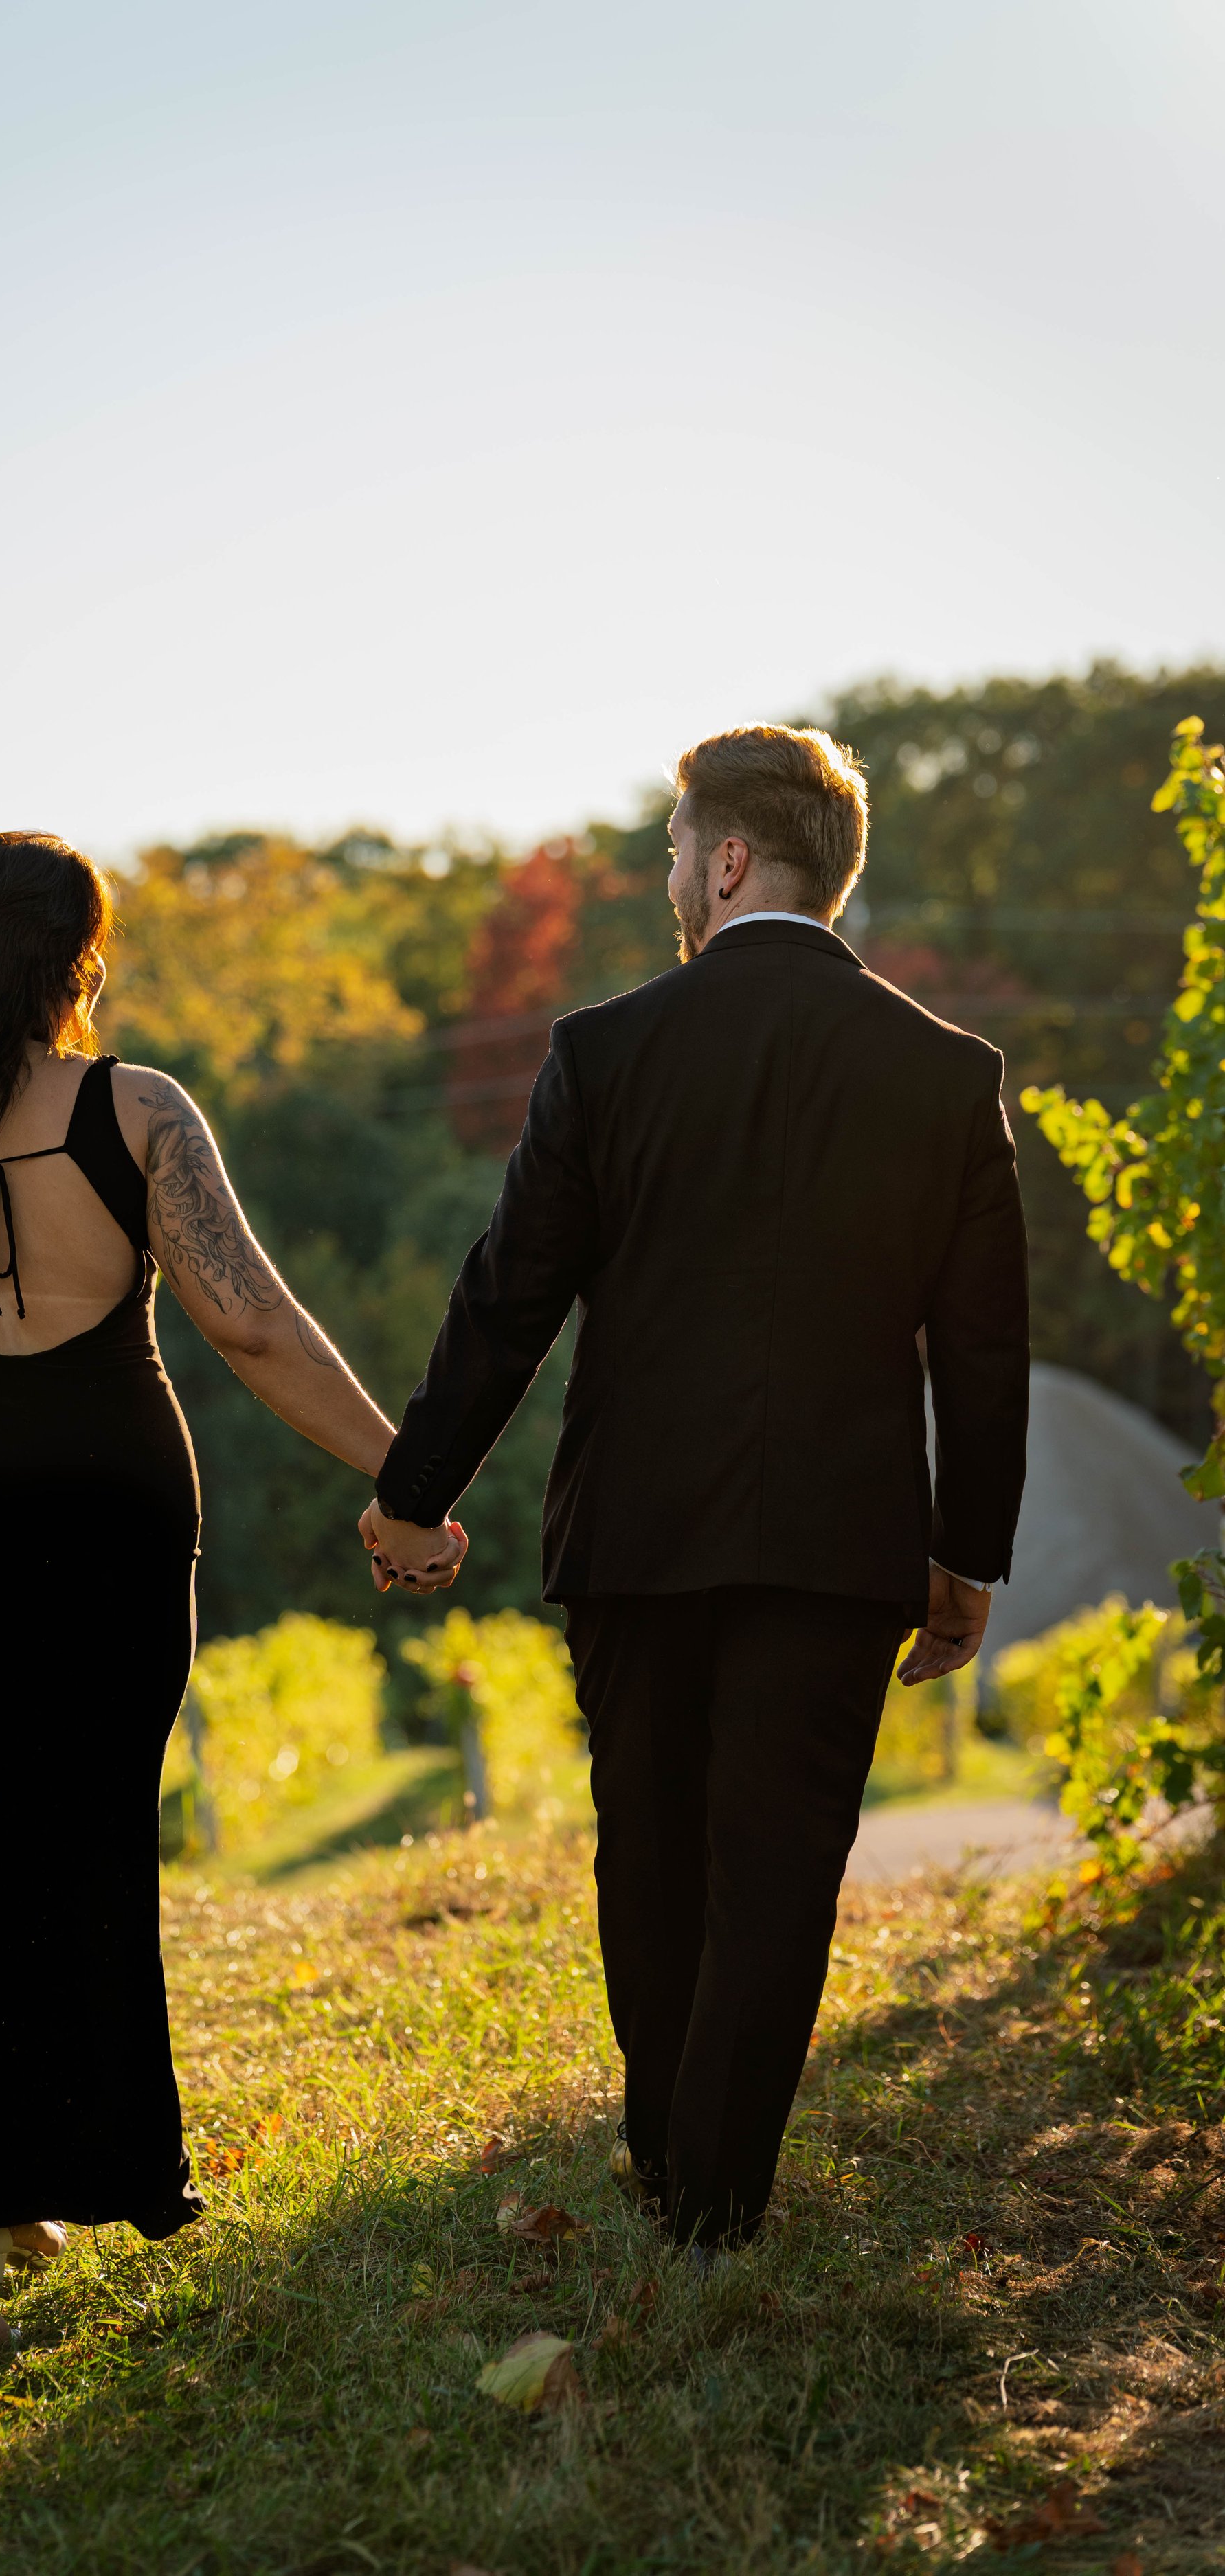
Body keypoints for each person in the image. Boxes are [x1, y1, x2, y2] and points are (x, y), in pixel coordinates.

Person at [0, 830, 462, 2360]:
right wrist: (404, 1477)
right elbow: (252, 1327)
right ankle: (35, 2180)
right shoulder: (135, 1112)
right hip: (109, 1506)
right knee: (71, 1842)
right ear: (71, 962)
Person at [361, 725, 1029, 2261]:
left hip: (638, 1529)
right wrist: (964, 1555)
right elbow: (982, 1350)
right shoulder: (943, 1075)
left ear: (725, 861)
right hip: (836, 1539)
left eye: (672, 849)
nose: (669, 876)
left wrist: (413, 1491)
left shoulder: (606, 1051)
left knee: (648, 1848)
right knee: (781, 1861)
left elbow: (508, 1294)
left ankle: (669, 2162)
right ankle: (715, 2197)